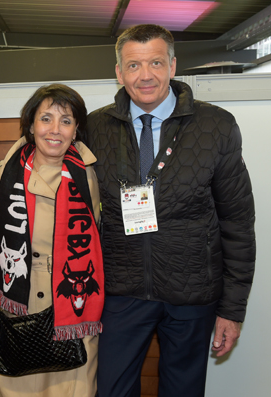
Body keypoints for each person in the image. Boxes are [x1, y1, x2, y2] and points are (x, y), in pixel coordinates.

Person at [84, 24, 256, 397]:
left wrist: (233, 308)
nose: (145, 75)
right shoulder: (92, 127)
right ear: (118, 72)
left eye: (156, 63)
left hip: (192, 292)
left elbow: (238, 221)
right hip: (120, 291)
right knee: (110, 390)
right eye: (133, 65)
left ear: (173, 66)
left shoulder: (216, 126)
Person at [0, 84, 104, 397]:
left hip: (71, 302)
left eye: (65, 121)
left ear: (76, 129)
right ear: (31, 125)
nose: (55, 130)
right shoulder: (3, 176)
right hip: (18, 300)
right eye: (45, 118)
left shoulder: (90, 177)